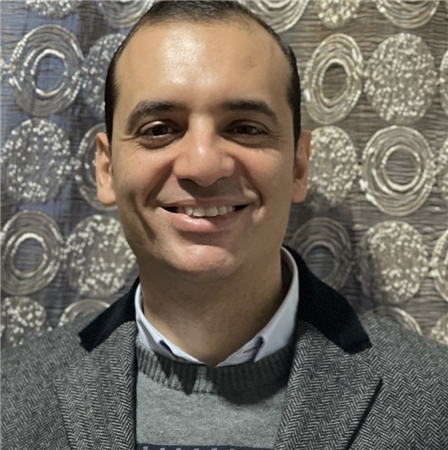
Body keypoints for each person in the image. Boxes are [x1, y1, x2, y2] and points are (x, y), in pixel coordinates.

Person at [2, 2, 447, 449]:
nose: (202, 166)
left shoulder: (434, 399)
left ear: (298, 166)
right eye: (159, 129)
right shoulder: (11, 400)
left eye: (246, 128)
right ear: (106, 169)